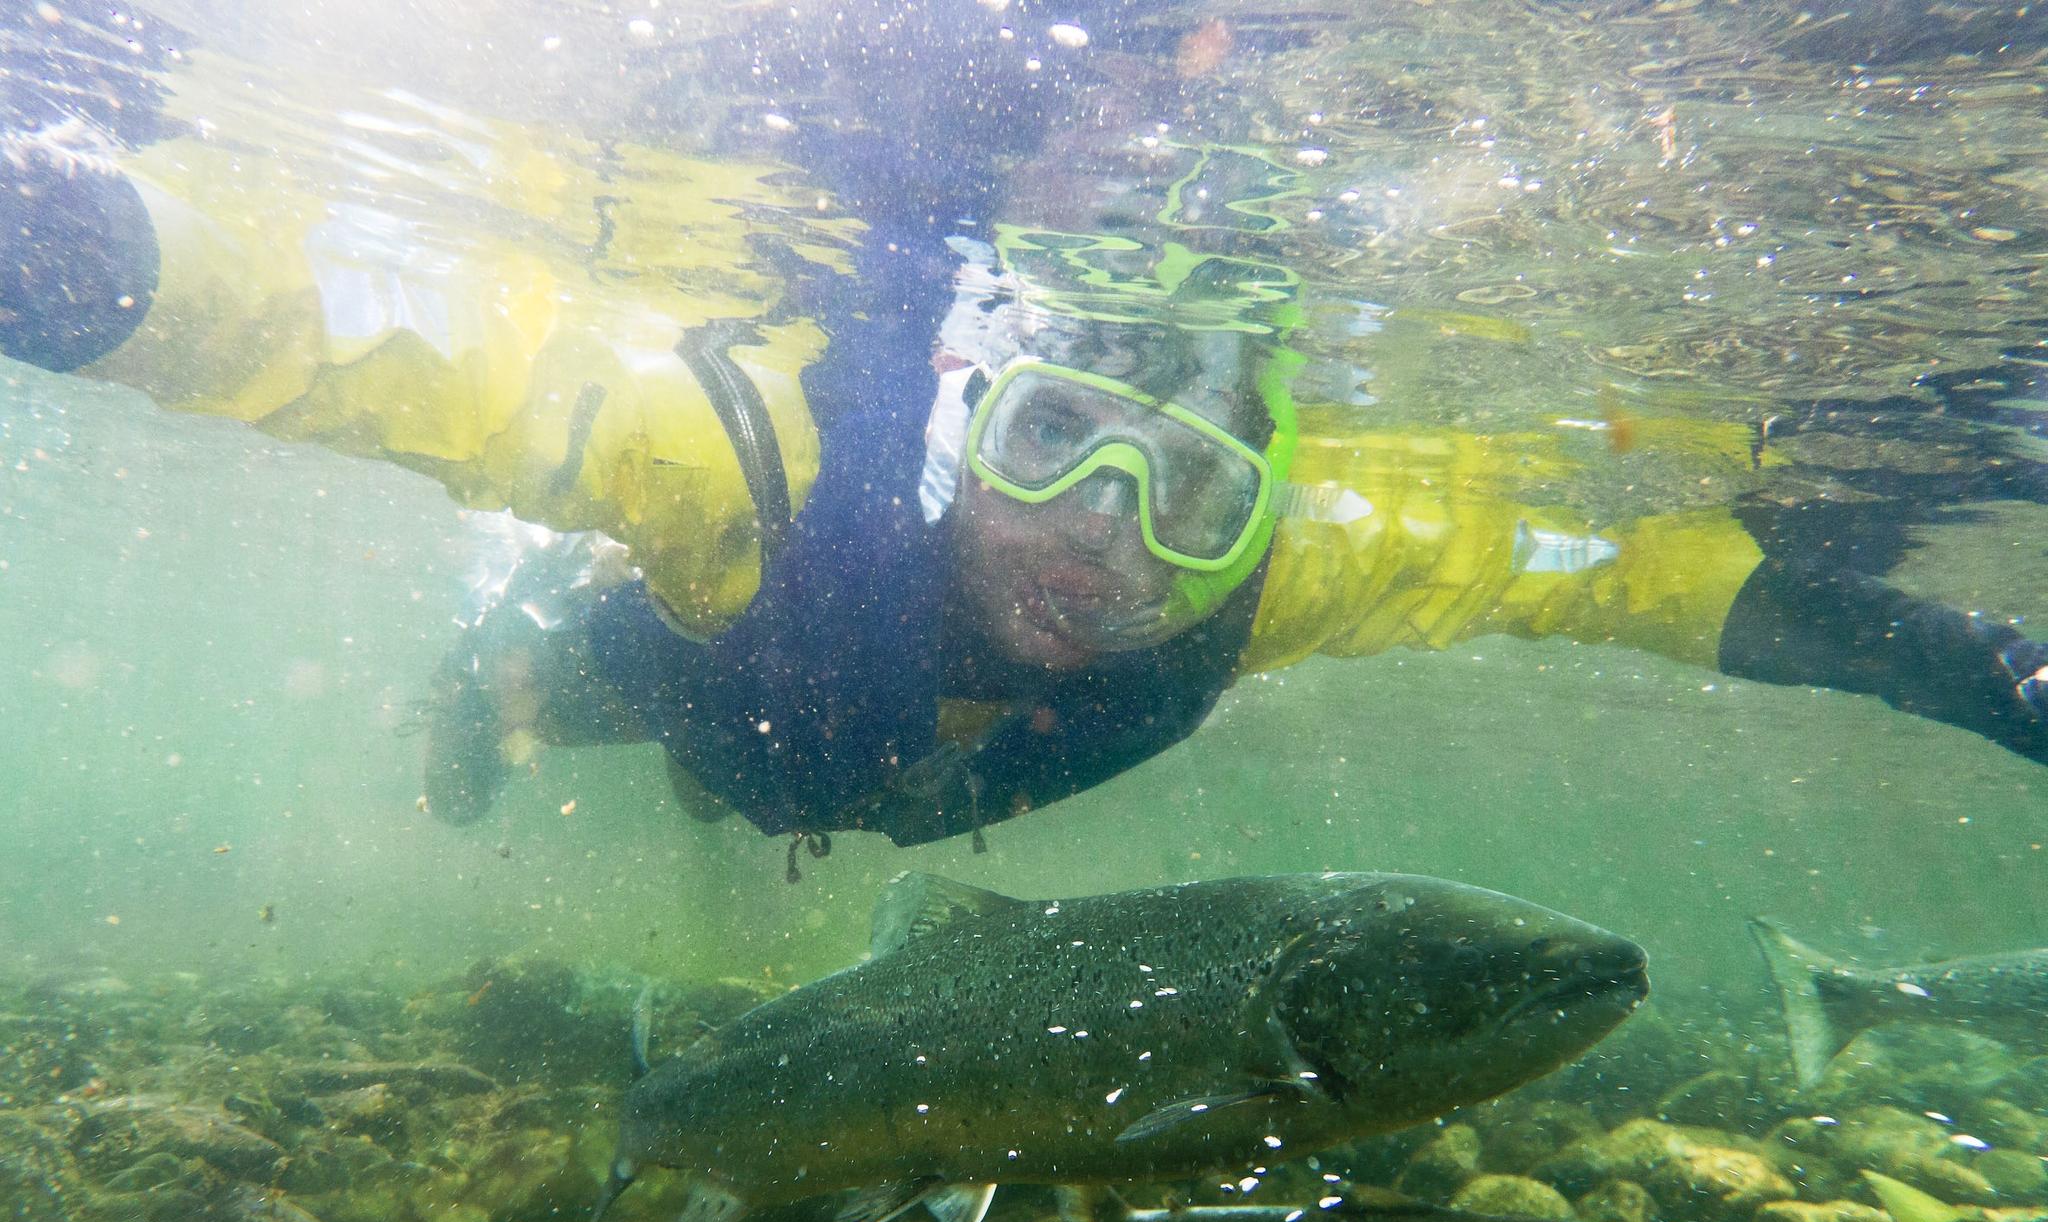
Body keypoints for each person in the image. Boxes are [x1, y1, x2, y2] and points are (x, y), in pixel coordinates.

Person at [5, 6, 2044, 860]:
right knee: (619, 687)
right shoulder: (760, 449)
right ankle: (497, 668)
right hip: (741, 645)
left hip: (896, 742)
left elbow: (1654, 579)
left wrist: (1988, 673)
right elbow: (384, 334)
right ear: (963, 402)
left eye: (1192, 486)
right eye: (1063, 433)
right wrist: (77, 240)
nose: (1115, 537)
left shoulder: (1290, 555)